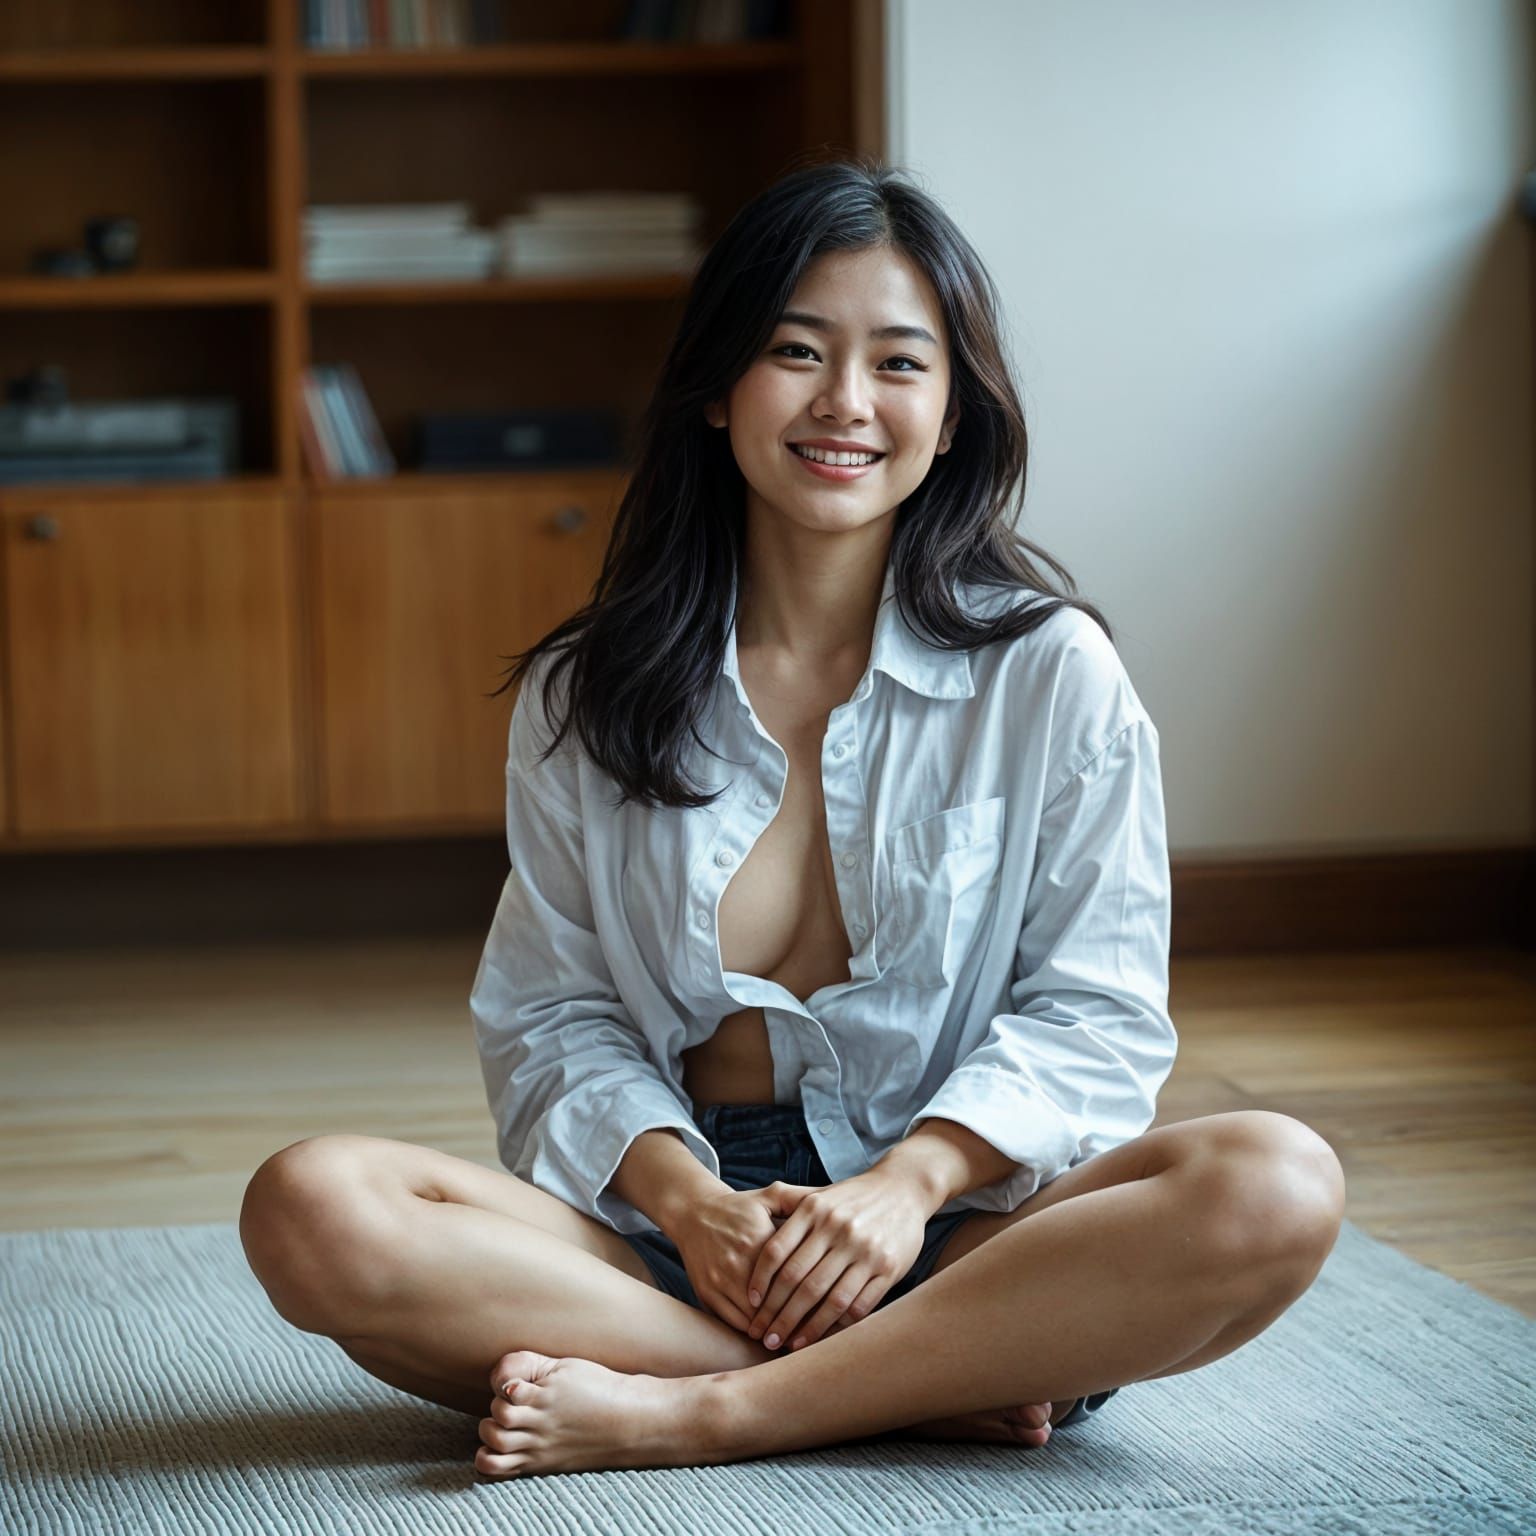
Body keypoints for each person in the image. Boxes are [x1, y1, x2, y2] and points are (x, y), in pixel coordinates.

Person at [238, 155, 1346, 1482]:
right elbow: (550, 1017)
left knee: (1275, 1181)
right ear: (717, 388)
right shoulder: (584, 691)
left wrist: (906, 1187)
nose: (845, 403)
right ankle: (914, 1391)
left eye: (898, 363)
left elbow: (1099, 1017)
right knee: (313, 1207)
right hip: (673, 1244)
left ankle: (703, 1413)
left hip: (967, 1236)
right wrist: (690, 1204)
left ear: (952, 417)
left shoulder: (1054, 673)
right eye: (796, 351)